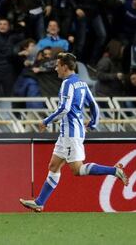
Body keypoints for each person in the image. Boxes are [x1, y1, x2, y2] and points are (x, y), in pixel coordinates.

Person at [19, 52, 129, 212]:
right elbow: (94, 105)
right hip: (68, 133)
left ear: (64, 67)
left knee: (77, 169)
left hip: (71, 133)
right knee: (53, 165)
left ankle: (114, 170)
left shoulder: (67, 84)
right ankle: (40, 202)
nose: (56, 68)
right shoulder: (82, 83)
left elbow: (65, 108)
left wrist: (46, 120)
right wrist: (93, 122)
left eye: (57, 65)